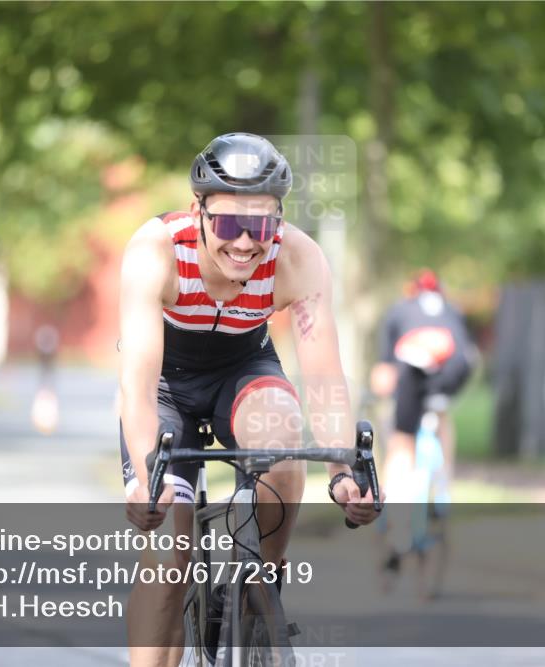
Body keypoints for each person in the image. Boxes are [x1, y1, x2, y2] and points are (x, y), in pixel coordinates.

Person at [117, 132, 379, 665]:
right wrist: (146, 481)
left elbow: (324, 375)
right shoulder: (156, 251)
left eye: (261, 225)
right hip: (167, 387)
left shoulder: (298, 259)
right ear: (199, 212)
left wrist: (343, 471)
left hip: (243, 370)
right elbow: (139, 384)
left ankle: (262, 585)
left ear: (278, 220)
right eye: (231, 223)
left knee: (284, 439)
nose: (245, 243)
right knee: (169, 565)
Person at [369, 269, 475, 582]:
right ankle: (443, 487)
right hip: (456, 367)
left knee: (402, 442)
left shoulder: (399, 311)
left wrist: (381, 395)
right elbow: (467, 353)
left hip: (413, 366)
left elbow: (383, 376)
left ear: (410, 291)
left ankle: (393, 519)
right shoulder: (453, 310)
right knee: (441, 417)